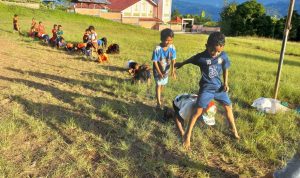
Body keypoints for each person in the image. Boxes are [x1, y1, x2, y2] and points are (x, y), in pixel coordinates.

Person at [175, 32, 240, 149]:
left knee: (228, 107)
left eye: (218, 51)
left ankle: (234, 131)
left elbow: (226, 68)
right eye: (213, 51)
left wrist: (225, 83)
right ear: (207, 46)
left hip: (219, 88)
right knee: (197, 112)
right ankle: (187, 135)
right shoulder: (201, 58)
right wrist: (181, 63)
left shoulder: (223, 56)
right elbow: (191, 59)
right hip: (206, 89)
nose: (215, 54)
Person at [152, 28, 176, 109]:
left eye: (170, 40)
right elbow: (155, 62)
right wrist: (159, 72)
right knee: (158, 85)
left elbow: (173, 59)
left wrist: (173, 70)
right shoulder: (157, 49)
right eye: (166, 40)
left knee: (162, 85)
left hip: (166, 71)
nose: (168, 42)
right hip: (157, 71)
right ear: (162, 39)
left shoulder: (172, 47)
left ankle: (159, 96)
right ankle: (158, 103)